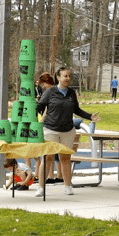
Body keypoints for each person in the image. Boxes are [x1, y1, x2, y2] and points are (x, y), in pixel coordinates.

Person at [36, 66, 101, 197]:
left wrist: (90, 117)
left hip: (67, 130)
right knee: (47, 158)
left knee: (65, 158)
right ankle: (41, 188)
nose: (68, 78)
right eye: (65, 76)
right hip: (50, 130)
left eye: (69, 76)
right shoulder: (50, 92)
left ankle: (67, 186)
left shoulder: (71, 93)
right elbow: (39, 107)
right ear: (58, 77)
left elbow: (76, 109)